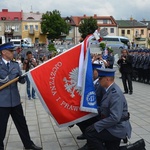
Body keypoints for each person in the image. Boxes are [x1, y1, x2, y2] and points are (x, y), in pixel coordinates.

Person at [0, 42, 42, 150]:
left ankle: (28, 144)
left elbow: (22, 82)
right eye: (11, 51)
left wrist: (23, 76)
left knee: (22, 124)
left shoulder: (15, 65)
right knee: (1, 127)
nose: (13, 53)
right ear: (4, 52)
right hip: (2, 103)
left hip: (15, 101)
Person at [78, 68, 132, 150]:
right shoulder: (109, 90)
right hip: (113, 125)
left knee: (90, 133)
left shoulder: (115, 94)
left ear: (107, 79)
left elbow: (115, 118)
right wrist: (90, 109)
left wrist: (97, 125)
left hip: (117, 128)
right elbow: (104, 109)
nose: (99, 80)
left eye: (100, 78)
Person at [76, 64, 106, 140]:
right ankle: (86, 134)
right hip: (94, 109)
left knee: (82, 119)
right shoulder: (91, 82)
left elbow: (105, 102)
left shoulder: (101, 84)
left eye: (92, 71)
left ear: (97, 72)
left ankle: (90, 139)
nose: (90, 73)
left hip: (99, 112)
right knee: (77, 117)